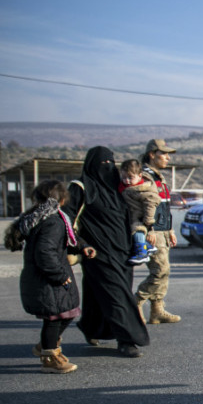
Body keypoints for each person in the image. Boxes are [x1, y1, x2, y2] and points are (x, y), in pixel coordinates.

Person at [65, 146, 150, 358]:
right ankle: (127, 339)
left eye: (111, 162)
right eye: (103, 163)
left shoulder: (119, 187)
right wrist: (81, 244)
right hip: (97, 253)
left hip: (123, 252)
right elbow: (66, 218)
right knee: (117, 295)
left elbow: (142, 207)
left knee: (98, 294)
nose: (108, 167)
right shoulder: (81, 187)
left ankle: (91, 327)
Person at [5, 180, 96, 373]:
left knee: (66, 313)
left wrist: (82, 246)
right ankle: (49, 356)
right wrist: (60, 276)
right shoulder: (53, 221)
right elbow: (45, 252)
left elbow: (68, 237)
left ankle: (47, 345)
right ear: (62, 200)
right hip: (48, 279)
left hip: (43, 278)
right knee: (55, 317)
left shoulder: (47, 217)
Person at [134, 139, 181, 324]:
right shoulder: (145, 176)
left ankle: (157, 309)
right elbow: (145, 205)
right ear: (152, 154)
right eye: (164, 154)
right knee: (160, 270)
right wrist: (151, 229)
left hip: (162, 230)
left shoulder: (157, 176)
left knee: (164, 271)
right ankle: (136, 300)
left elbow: (163, 205)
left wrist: (170, 230)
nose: (168, 158)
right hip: (152, 231)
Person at [118, 159, 160, 265]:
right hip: (130, 217)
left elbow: (151, 206)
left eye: (130, 178)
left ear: (140, 175)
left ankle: (142, 253)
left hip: (140, 218)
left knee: (137, 231)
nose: (127, 181)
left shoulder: (144, 190)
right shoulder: (125, 187)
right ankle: (148, 246)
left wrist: (148, 222)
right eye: (124, 178)